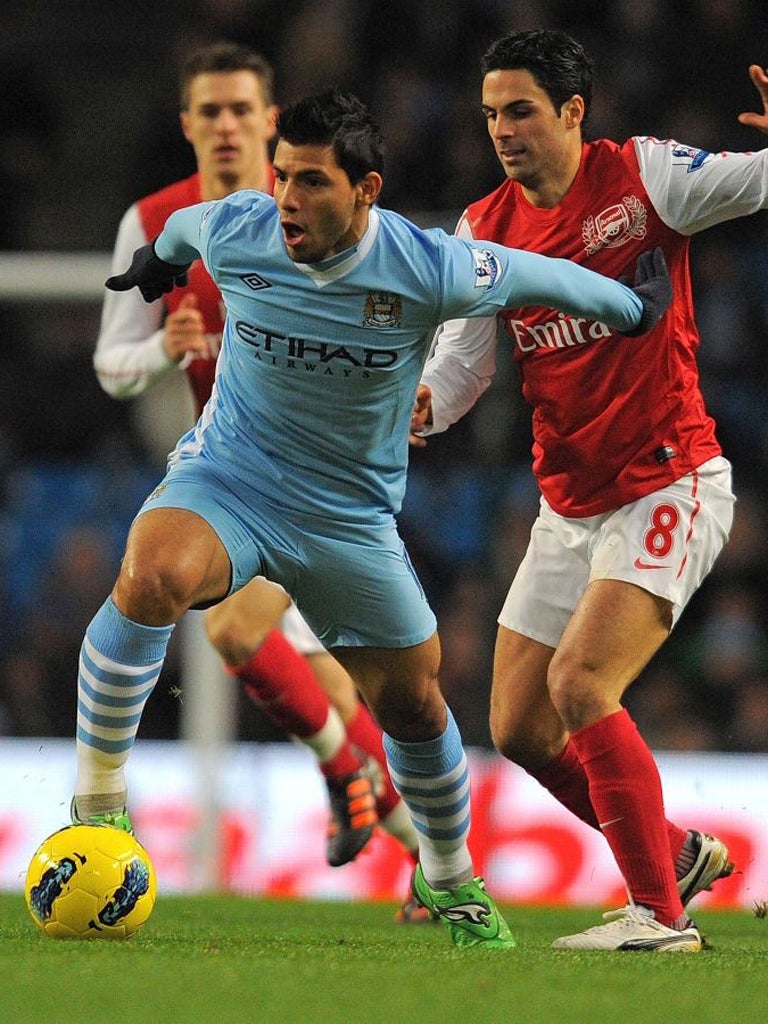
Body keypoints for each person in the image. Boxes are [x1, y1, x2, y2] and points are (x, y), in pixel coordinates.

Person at [75, 86, 671, 951]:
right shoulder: (238, 225)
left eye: (312, 183)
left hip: (347, 520)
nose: (286, 200)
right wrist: (162, 266)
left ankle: (450, 876)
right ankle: (97, 808)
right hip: (229, 480)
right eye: (283, 177)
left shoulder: (427, 266)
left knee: (417, 709)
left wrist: (630, 308)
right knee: (153, 569)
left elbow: (544, 278)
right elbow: (181, 234)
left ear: (367, 189)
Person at [411, 29, 768, 951]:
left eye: (521, 110)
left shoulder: (646, 178)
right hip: (567, 507)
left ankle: (661, 916)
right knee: (518, 725)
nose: (502, 131)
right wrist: (415, 407)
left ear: (574, 110)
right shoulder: (482, 228)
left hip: (668, 483)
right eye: (491, 114)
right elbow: (460, 374)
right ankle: (675, 852)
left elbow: (758, 178)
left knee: (580, 682)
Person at [92, 41, 424, 910]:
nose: (228, 126)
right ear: (188, 124)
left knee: (249, 638)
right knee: (323, 679)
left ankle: (365, 789)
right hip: (232, 482)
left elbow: (399, 296)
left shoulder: (321, 215)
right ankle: (414, 845)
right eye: (211, 111)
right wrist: (158, 351)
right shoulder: (156, 219)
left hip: (328, 480)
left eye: (244, 109)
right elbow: (110, 364)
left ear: (270, 122)